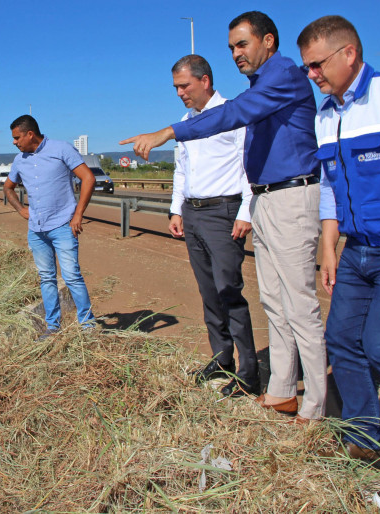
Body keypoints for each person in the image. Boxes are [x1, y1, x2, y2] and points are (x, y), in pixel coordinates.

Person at [120, 11, 327, 422]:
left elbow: (230, 116)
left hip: (290, 196)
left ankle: (316, 405)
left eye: (242, 44)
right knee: (273, 300)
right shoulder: (261, 85)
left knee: (299, 304)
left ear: (268, 41)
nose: (235, 54)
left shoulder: (282, 75)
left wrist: (167, 132)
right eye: (232, 46)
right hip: (268, 197)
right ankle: (282, 390)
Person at [298, 15, 380, 459]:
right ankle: (365, 439)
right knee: (343, 342)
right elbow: (332, 188)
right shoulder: (326, 115)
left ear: (348, 54)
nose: (312, 75)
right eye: (307, 69)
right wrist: (329, 247)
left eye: (317, 65)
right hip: (356, 252)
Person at [167, 54, 259, 398]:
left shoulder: (234, 116)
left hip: (224, 212)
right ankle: (222, 359)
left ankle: (249, 374)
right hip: (192, 213)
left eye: (184, 86)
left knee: (228, 292)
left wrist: (246, 211)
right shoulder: (185, 121)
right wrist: (177, 210)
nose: (180, 93)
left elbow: (248, 164)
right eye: (176, 87)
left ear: (205, 81)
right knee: (208, 293)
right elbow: (182, 169)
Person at [3, 114, 97, 334]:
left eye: (17, 138)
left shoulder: (61, 149)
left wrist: (78, 214)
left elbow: (88, 178)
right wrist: (20, 209)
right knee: (46, 279)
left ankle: (88, 326)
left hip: (63, 225)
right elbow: (8, 187)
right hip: (36, 230)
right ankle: (52, 327)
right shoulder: (19, 160)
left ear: (30, 134)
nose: (14, 142)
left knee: (72, 276)